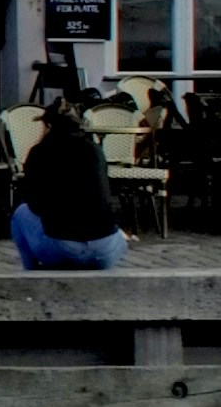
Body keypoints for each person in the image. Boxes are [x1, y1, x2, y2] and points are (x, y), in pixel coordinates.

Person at [12, 87, 131, 275]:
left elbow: (34, 202)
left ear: (49, 126)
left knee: (20, 213)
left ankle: (32, 275)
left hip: (64, 248)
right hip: (107, 248)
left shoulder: (40, 151)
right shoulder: (95, 150)